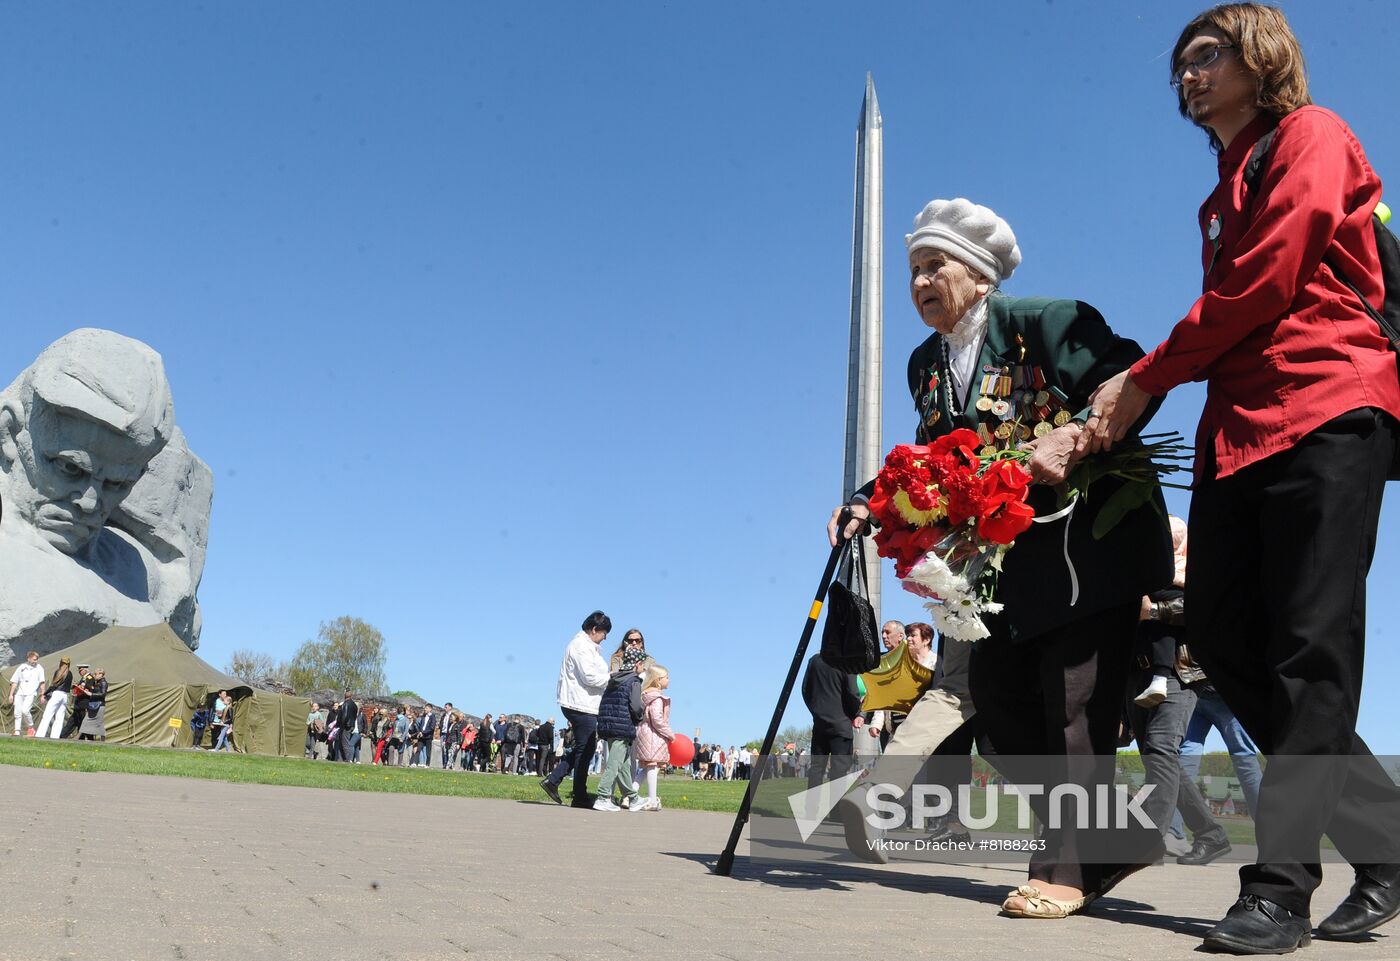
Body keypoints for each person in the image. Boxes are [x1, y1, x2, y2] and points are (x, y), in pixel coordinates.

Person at [1081, 4, 1400, 951]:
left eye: (1208, 54)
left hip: (1328, 408)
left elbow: (1264, 279)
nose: (1188, 72)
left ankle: (1279, 890)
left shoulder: (1313, 135)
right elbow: (1232, 310)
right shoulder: (1220, 194)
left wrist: (1145, 379)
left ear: (1262, 58)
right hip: (1239, 433)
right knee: (1220, 634)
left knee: (1310, 649)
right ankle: (1386, 837)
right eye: (1180, 62)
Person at [829, 196, 1173, 918]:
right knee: (1002, 706)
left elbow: (1131, 374)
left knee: (1074, 705)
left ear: (980, 275)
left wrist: (1074, 435)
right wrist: (869, 500)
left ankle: (1062, 871)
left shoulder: (1044, 322)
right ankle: (1119, 837)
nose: (921, 281)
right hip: (1011, 563)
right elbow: (936, 457)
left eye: (936, 265)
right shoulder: (926, 365)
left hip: (1089, 549)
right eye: (914, 269)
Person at [540, 611, 612, 808]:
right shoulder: (581, 646)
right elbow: (590, 677)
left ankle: (554, 780)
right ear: (594, 629)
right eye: (604, 633)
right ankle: (579, 795)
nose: (605, 638)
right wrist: (612, 678)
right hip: (580, 703)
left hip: (584, 703)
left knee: (585, 748)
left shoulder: (588, 646)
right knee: (585, 750)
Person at [800, 651, 863, 793]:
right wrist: (856, 713)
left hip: (820, 724)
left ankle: (811, 805)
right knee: (839, 771)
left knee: (816, 769)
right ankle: (836, 806)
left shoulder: (814, 661)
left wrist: (815, 711)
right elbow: (852, 692)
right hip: (841, 724)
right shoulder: (846, 661)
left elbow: (805, 689)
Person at [593, 661, 645, 811]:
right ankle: (602, 796)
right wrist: (640, 716)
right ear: (638, 664)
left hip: (609, 725)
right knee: (614, 764)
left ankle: (633, 798)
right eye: (643, 665)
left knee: (624, 765)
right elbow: (636, 706)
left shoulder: (614, 679)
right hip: (623, 727)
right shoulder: (634, 681)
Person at [633, 664, 674, 812]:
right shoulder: (657, 699)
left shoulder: (644, 696)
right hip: (653, 735)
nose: (669, 680)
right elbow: (657, 719)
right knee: (652, 766)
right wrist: (670, 734)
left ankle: (630, 795)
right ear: (657, 681)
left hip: (643, 732)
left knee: (646, 767)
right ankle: (652, 799)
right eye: (666, 677)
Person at [7, 650, 46, 736]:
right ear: (28, 658)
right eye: (34, 659)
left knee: (25, 710)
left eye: (36, 659)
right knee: (17, 712)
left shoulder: (39, 668)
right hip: (20, 692)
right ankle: (17, 730)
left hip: (31, 693)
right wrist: (11, 695)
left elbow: (42, 683)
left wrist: (43, 695)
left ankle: (31, 727)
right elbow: (14, 681)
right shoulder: (22, 667)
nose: (35, 661)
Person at [35, 656, 72, 739]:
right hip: (65, 696)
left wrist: (45, 694)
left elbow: (54, 685)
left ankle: (40, 735)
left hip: (57, 694)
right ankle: (55, 737)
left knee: (47, 715)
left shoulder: (58, 672)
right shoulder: (70, 674)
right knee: (60, 718)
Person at [76, 668, 107, 741]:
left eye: (96, 674)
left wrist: (91, 694)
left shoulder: (103, 682)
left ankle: (103, 738)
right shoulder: (97, 682)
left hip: (99, 705)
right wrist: (89, 690)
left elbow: (103, 694)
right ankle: (78, 736)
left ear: (101, 674)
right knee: (86, 720)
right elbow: (96, 690)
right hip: (94, 704)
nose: (94, 676)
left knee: (99, 723)